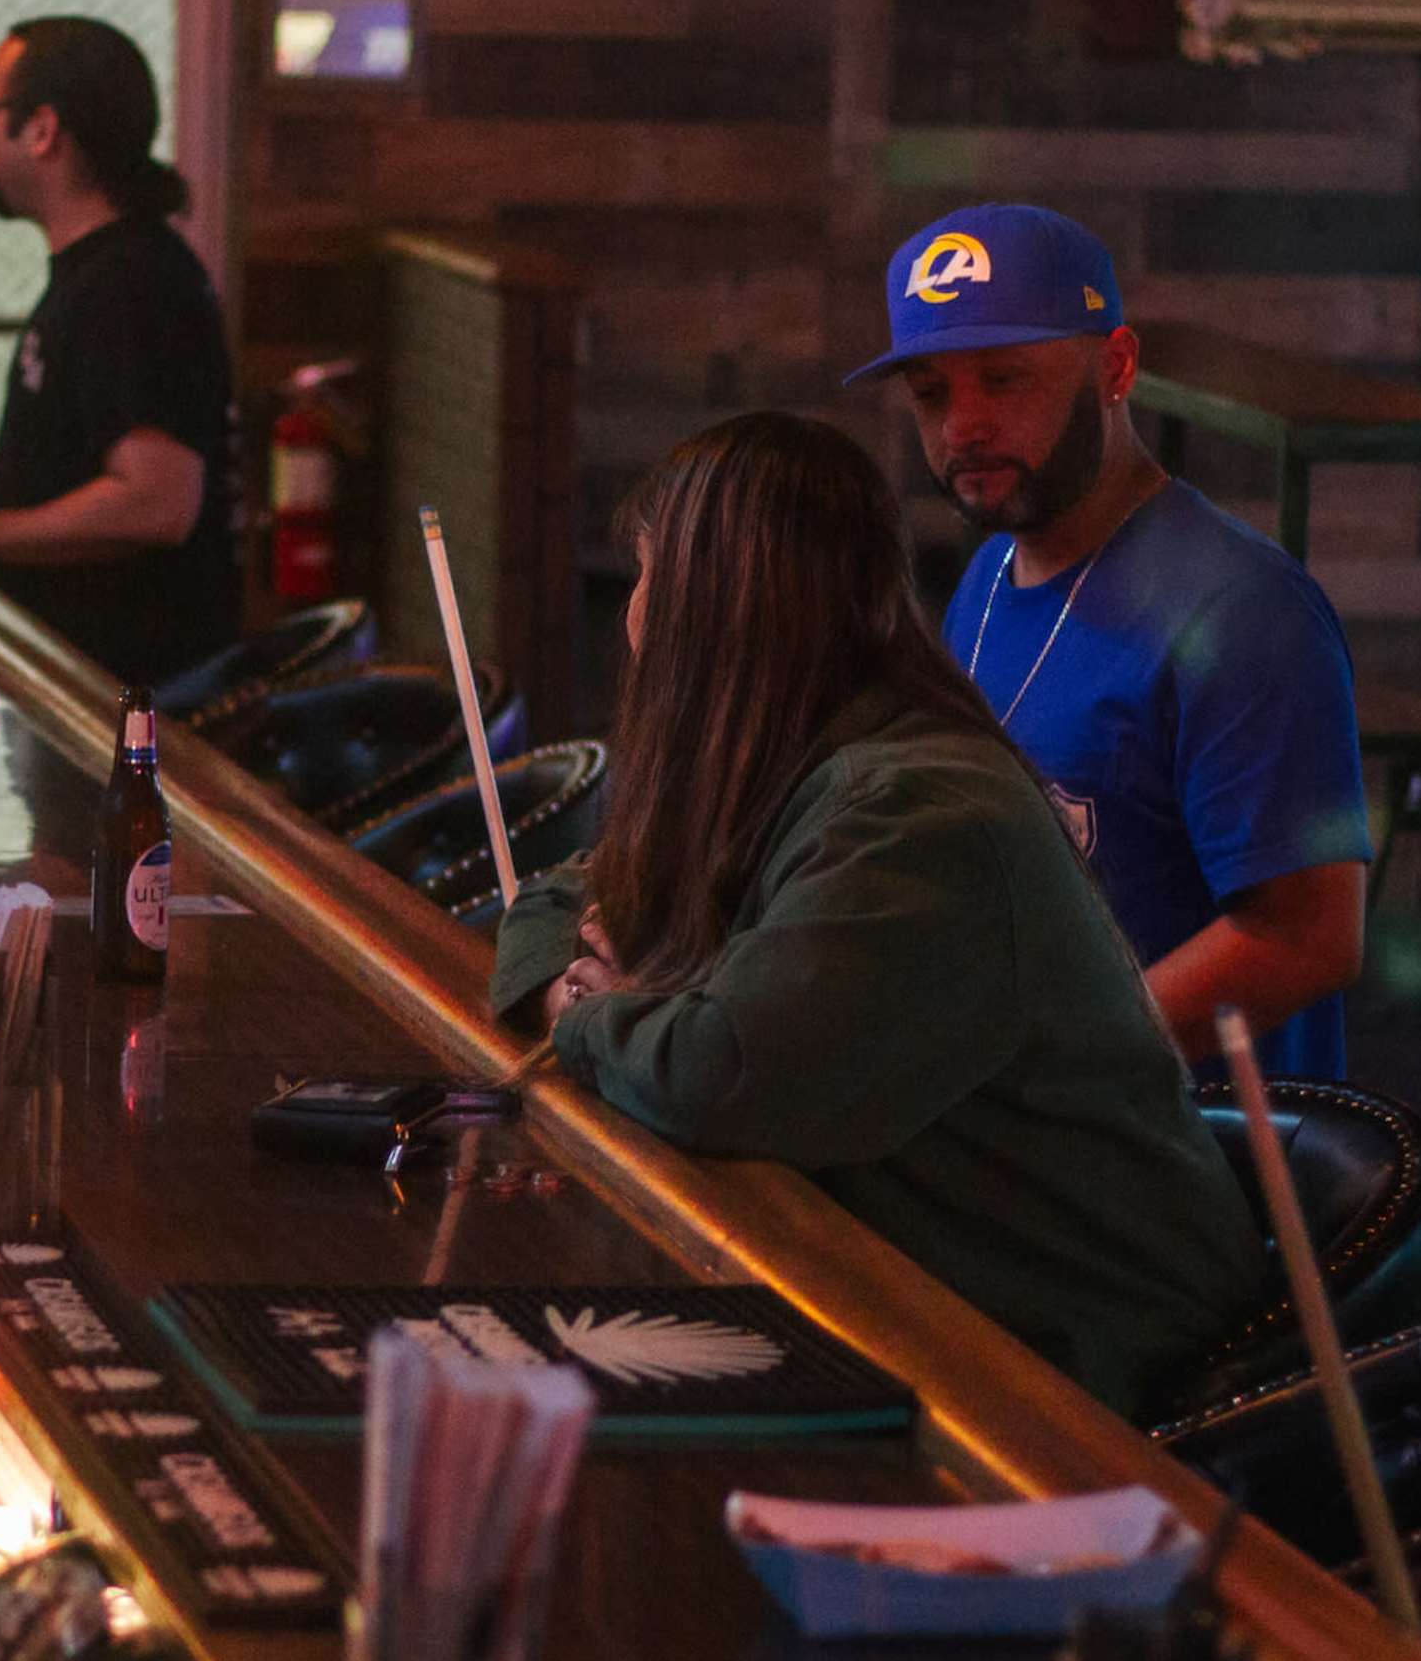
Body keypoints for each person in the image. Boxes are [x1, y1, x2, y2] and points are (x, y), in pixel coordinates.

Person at [488, 412, 1263, 1417]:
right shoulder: (791, 761)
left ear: (713, 611)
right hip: (927, 1313)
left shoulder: (919, 813)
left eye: (647, 578)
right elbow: (561, 897)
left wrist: (587, 1017)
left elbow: (722, 1075)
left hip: (1085, 1386)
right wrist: (586, 986)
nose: (631, 620)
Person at [854, 205, 1372, 1081]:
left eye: (1004, 379)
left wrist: (1034, 1063)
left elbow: (1308, 938)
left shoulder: (1240, 612)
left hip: (1195, 1170)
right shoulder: (987, 577)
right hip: (1038, 1140)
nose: (961, 426)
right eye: (932, 392)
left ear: (1117, 368)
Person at [0, 15, 241, 690]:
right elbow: (66, 479)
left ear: (42, 130)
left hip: (128, 703)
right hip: (72, 675)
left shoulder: (132, 284)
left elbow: (155, 501)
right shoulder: (97, 273)